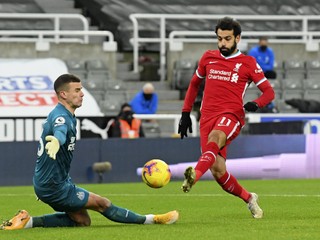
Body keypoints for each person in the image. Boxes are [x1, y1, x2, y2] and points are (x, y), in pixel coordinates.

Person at [0, 74, 178, 230]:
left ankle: (27, 221)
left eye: (81, 89)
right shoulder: (61, 116)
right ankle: (152, 219)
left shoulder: (66, 114)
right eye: (77, 90)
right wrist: (57, 140)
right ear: (63, 94)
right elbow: (60, 130)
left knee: (82, 221)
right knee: (102, 203)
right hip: (53, 186)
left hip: (54, 181)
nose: (82, 93)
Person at [178, 17, 275, 219]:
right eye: (219, 38)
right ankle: (249, 198)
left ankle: (194, 175)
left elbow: (268, 92)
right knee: (218, 170)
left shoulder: (248, 63)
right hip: (207, 117)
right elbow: (194, 84)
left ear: (237, 38)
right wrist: (186, 113)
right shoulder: (208, 58)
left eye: (227, 39)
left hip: (232, 115)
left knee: (216, 138)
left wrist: (256, 103)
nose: (222, 43)